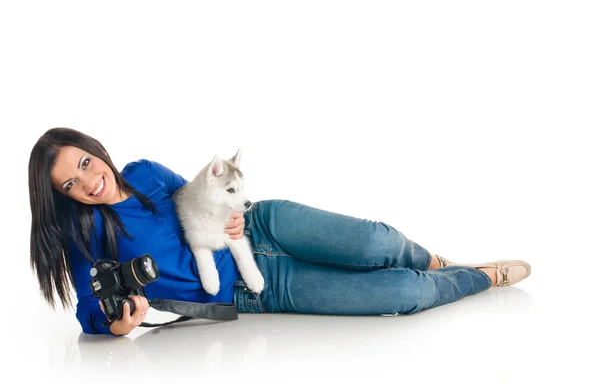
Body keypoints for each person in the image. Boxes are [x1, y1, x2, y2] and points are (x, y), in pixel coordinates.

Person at [28, 127, 531, 336]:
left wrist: (234, 216)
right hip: (249, 291)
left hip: (261, 225)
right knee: (400, 293)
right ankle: (481, 277)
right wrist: (116, 324)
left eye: (86, 163)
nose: (89, 183)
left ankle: (431, 259)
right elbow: (88, 308)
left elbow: (201, 195)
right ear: (63, 195)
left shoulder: (144, 172)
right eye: (70, 183)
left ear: (96, 148)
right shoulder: (85, 231)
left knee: (377, 243)